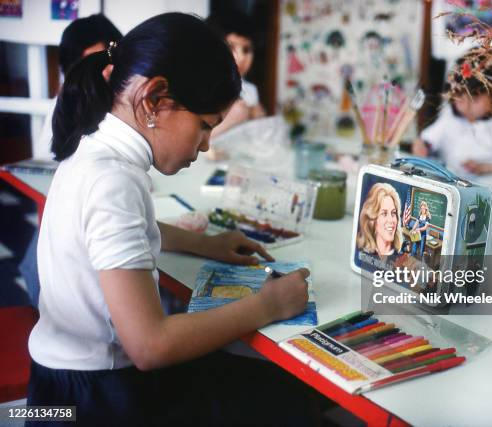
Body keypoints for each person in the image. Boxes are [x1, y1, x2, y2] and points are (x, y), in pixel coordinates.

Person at [26, 13, 317, 426]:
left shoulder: (93, 147)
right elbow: (150, 346)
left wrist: (205, 243)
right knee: (274, 394)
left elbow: (109, 233)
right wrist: (267, 305)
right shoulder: (114, 181)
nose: (205, 144)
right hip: (94, 401)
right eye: (203, 126)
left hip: (57, 385)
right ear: (155, 100)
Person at [19, 14, 123, 308]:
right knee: (39, 270)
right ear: (70, 68)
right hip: (75, 213)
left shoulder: (125, 105)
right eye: (90, 63)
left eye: (107, 62)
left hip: (107, 212)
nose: (102, 73)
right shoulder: (65, 107)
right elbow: (46, 161)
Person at [412, 51, 492, 179]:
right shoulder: (450, 118)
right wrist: (421, 146)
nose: (467, 106)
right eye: (460, 98)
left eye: (475, 99)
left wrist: (491, 168)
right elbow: (425, 141)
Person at [33, 14, 122, 160]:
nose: (107, 71)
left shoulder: (131, 99)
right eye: (93, 64)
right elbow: (44, 158)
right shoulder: (65, 103)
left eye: (109, 60)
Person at [205, 9, 266, 138]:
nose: (242, 57)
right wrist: (234, 118)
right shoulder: (202, 86)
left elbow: (258, 135)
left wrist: (258, 118)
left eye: (247, 49)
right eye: (231, 47)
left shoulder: (250, 90)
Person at [356, 183, 403, 258]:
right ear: (372, 220)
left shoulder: (402, 259)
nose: (391, 220)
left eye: (393, 213)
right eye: (384, 214)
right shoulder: (362, 254)